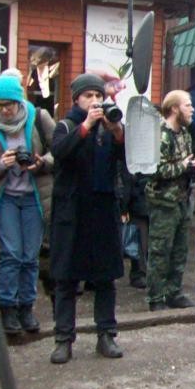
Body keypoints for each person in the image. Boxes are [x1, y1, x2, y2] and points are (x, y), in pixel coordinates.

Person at [48, 73, 126, 363]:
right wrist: (86, 126)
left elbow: (130, 159)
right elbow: (60, 152)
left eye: (98, 96)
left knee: (105, 277)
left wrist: (117, 131)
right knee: (66, 279)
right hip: (72, 213)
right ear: (77, 99)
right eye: (88, 96)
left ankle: (106, 335)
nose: (95, 101)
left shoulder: (109, 125)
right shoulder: (66, 126)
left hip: (103, 211)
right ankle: (63, 339)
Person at [0, 74, 55, 335]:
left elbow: (61, 150)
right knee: (11, 253)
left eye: (9, 104)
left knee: (30, 255)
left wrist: (42, 162)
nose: (5, 110)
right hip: (5, 197)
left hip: (34, 197)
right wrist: (0, 164)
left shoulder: (38, 118)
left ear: (19, 101)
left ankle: (26, 307)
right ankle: (7, 308)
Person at [146, 90, 195, 312]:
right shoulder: (161, 134)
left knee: (180, 249)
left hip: (182, 199)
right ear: (174, 108)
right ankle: (156, 297)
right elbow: (155, 170)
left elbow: (186, 161)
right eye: (187, 105)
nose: (192, 109)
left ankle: (174, 292)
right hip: (163, 201)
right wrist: (185, 165)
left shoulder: (185, 134)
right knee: (160, 250)